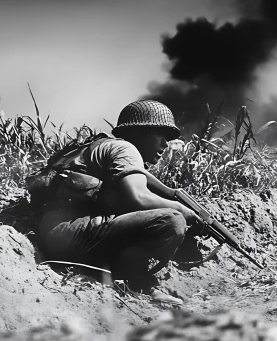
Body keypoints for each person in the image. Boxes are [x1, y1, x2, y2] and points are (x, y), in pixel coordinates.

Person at [31, 100, 204, 305]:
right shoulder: (126, 150)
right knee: (171, 220)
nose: (165, 145)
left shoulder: (101, 147)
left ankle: (104, 270)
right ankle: (136, 283)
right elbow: (139, 197)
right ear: (141, 132)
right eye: (161, 135)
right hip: (68, 235)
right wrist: (181, 209)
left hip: (56, 236)